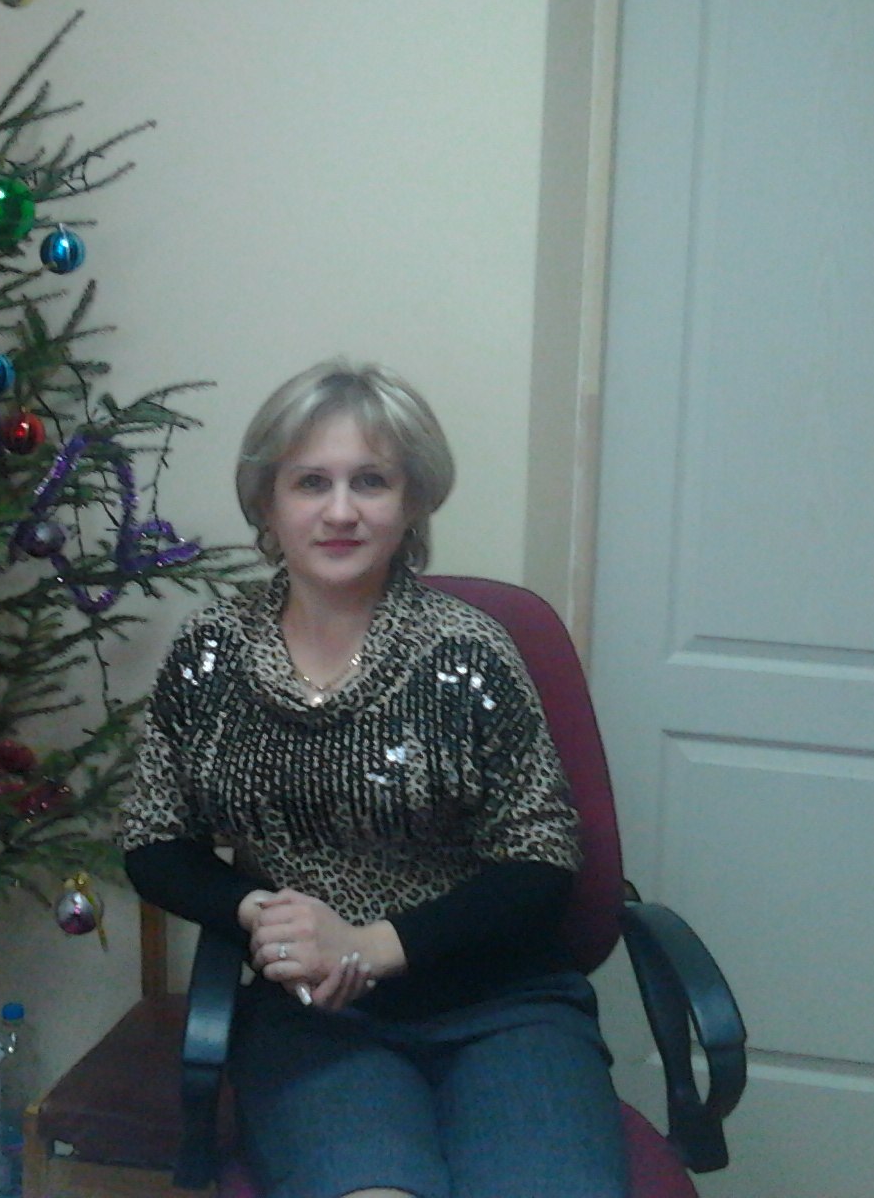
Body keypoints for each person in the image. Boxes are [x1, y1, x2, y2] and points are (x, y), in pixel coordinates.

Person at [120, 359, 629, 1198]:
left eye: (371, 481)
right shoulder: (211, 651)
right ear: (267, 501)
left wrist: (370, 945)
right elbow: (154, 841)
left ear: (412, 501)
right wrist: (265, 918)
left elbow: (541, 863)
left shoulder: (469, 650)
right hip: (316, 1022)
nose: (341, 511)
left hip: (503, 1009)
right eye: (310, 482)